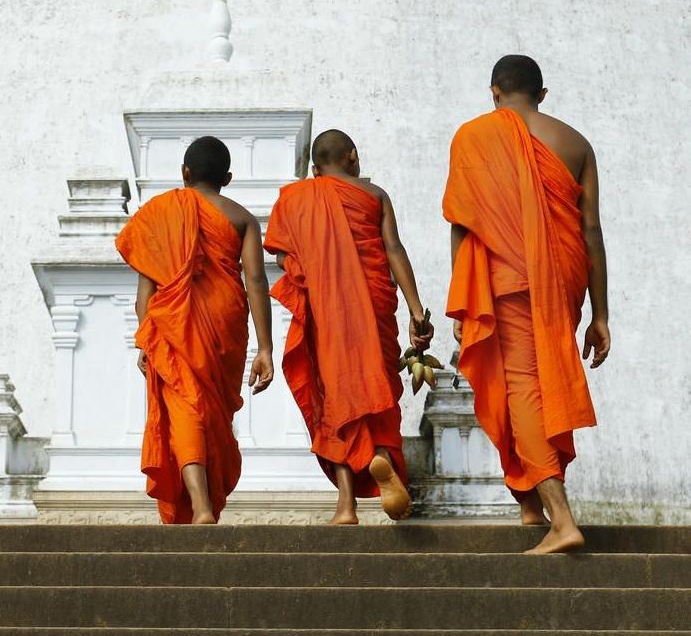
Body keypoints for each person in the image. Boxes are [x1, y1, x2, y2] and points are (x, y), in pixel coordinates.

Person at [444, 55, 610, 553]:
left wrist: (462, 296)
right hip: (561, 279)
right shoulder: (576, 143)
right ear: (542, 93)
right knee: (541, 384)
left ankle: (562, 519)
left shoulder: (473, 136)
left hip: (507, 279)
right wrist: (601, 314)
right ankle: (530, 504)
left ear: (494, 92)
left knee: (522, 389)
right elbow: (591, 230)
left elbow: (463, 222)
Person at [264, 129, 433, 524]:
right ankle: (379, 454)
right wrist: (416, 311)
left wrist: (314, 268)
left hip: (326, 312)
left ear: (314, 169)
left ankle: (345, 506)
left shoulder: (294, 199)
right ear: (353, 156)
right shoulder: (375, 195)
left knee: (334, 396)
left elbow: (283, 259)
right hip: (373, 307)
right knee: (376, 387)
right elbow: (393, 250)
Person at [115, 135, 275, 524]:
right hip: (225, 321)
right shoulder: (242, 218)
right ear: (228, 178)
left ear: (184, 173)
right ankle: (204, 503)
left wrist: (148, 338)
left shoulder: (160, 213)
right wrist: (266, 349)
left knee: (186, 406)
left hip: (174, 323)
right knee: (210, 411)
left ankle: (201, 504)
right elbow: (256, 281)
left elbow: (146, 291)